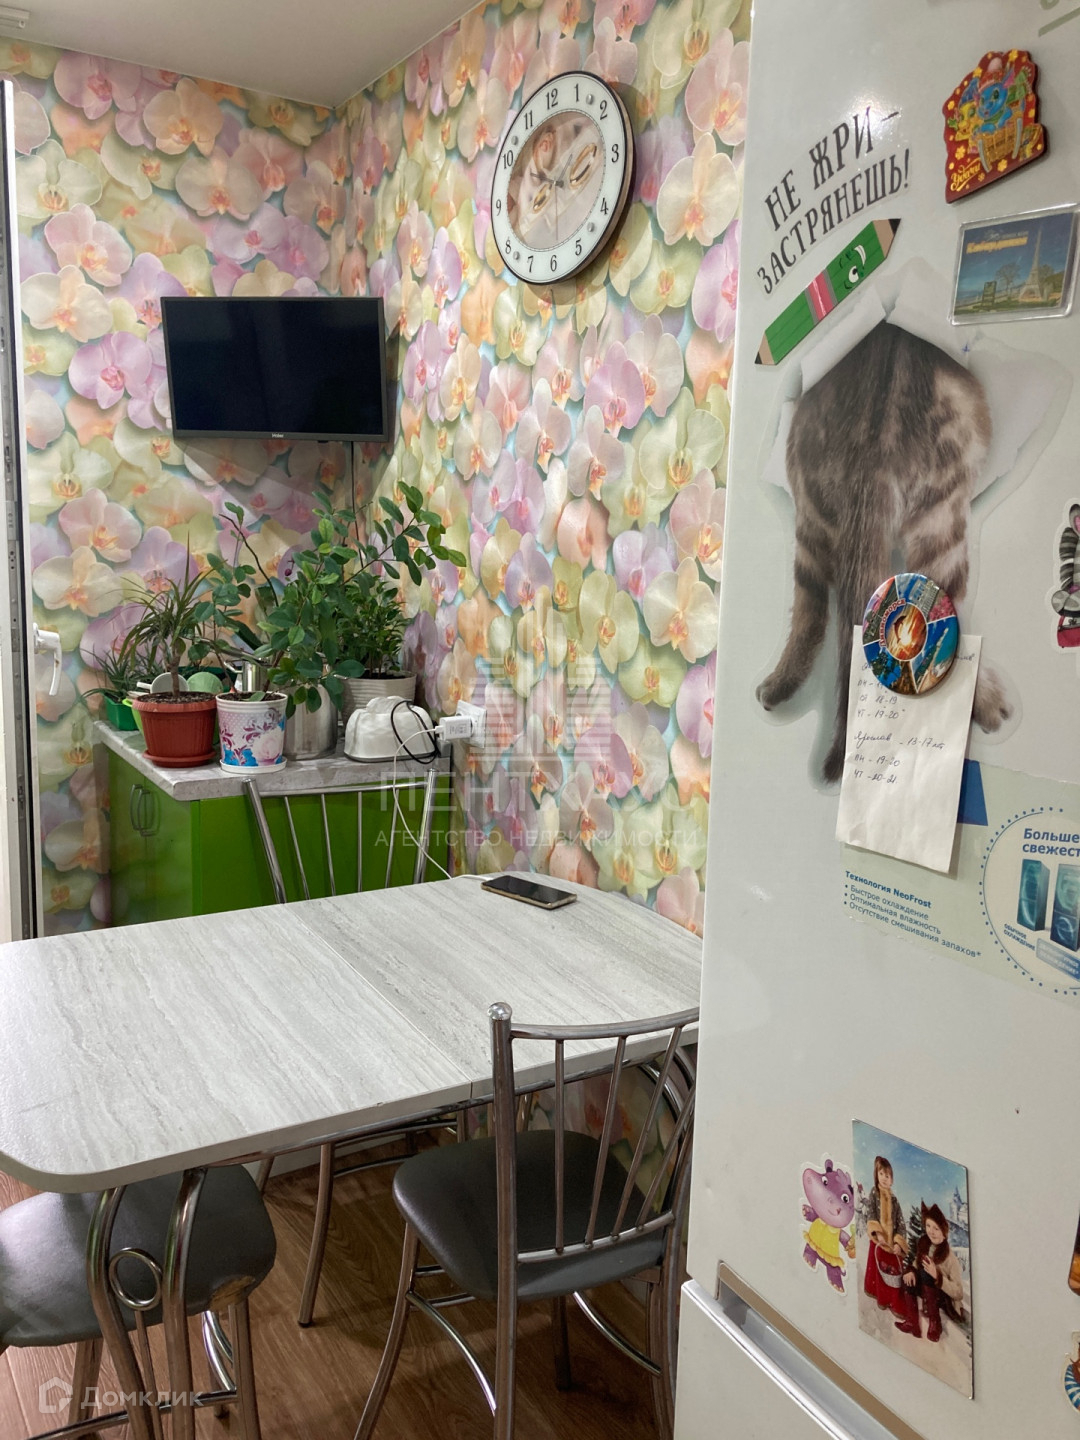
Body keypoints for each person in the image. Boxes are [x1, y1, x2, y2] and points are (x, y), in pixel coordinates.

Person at [896, 1203, 964, 1342]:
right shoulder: (925, 1244)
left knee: (927, 1273)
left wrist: (937, 1276)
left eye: (936, 1228)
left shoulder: (950, 1258)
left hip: (942, 1296)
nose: (931, 1232)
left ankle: (935, 1323)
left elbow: (958, 1292)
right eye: (928, 1226)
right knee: (908, 1277)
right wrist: (911, 1271)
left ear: (943, 1232)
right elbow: (916, 1263)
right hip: (926, 1288)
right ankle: (912, 1322)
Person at [863, 1155, 908, 1317]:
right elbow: (871, 1213)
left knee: (893, 1273)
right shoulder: (874, 1193)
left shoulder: (894, 1200)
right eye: (881, 1174)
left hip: (891, 1245)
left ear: (892, 1180)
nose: (884, 1178)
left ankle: (894, 1300)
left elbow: (901, 1223)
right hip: (879, 1241)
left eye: (887, 1176)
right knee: (879, 1271)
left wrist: (898, 1243)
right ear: (876, 1175)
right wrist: (877, 1233)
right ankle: (880, 1297)